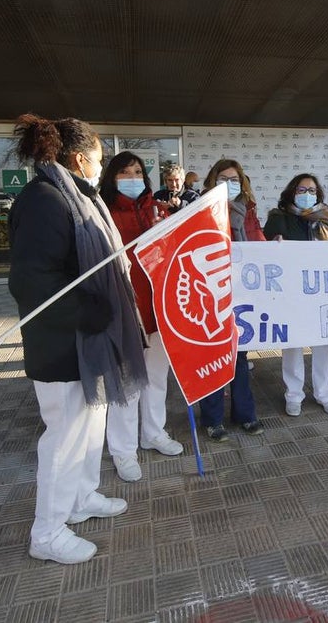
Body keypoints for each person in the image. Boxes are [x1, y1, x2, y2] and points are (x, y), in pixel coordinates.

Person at [8, 114, 147, 565]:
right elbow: (32, 280)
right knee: (65, 436)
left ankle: (81, 497)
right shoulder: (44, 199)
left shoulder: (80, 196)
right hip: (62, 344)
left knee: (91, 424)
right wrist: (84, 311)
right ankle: (47, 531)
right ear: (80, 157)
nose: (101, 168)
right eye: (101, 159)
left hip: (91, 340)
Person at [99, 152, 184, 483]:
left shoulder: (158, 210)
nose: (132, 177)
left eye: (138, 171)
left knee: (156, 377)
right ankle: (122, 450)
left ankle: (153, 432)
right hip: (124, 308)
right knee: (127, 384)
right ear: (112, 177)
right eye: (124, 172)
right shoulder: (103, 212)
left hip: (158, 308)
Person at [265, 173, 328, 416]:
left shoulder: (327, 218)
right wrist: (274, 243)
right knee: (293, 345)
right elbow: (266, 245)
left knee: (323, 345)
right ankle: (293, 395)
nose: (307, 195)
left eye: (311, 190)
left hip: (322, 292)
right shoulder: (278, 217)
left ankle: (325, 394)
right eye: (301, 190)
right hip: (292, 294)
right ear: (291, 192)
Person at [197, 159, 265, 441]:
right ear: (213, 181)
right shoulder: (201, 209)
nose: (229, 183)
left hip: (242, 291)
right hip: (212, 289)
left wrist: (272, 246)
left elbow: (256, 237)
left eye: (234, 178)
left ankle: (245, 415)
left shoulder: (247, 208)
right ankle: (212, 419)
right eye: (223, 178)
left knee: (239, 356)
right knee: (213, 355)